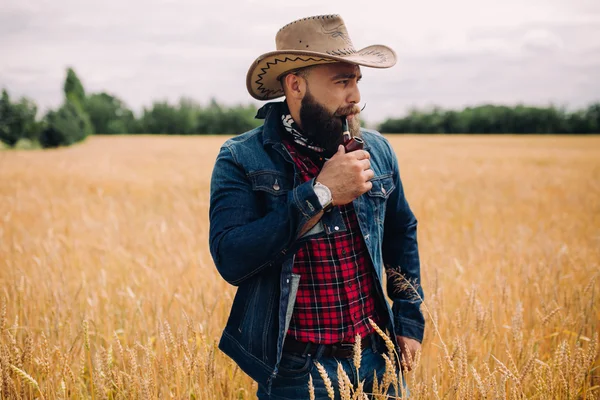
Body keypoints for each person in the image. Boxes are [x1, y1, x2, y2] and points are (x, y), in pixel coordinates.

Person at [209, 14, 425, 399]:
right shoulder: (241, 158)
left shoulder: (377, 150)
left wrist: (409, 320)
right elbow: (232, 257)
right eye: (342, 82)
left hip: (380, 361)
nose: (355, 97)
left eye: (357, 81)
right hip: (297, 373)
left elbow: (401, 231)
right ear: (296, 85)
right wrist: (319, 194)